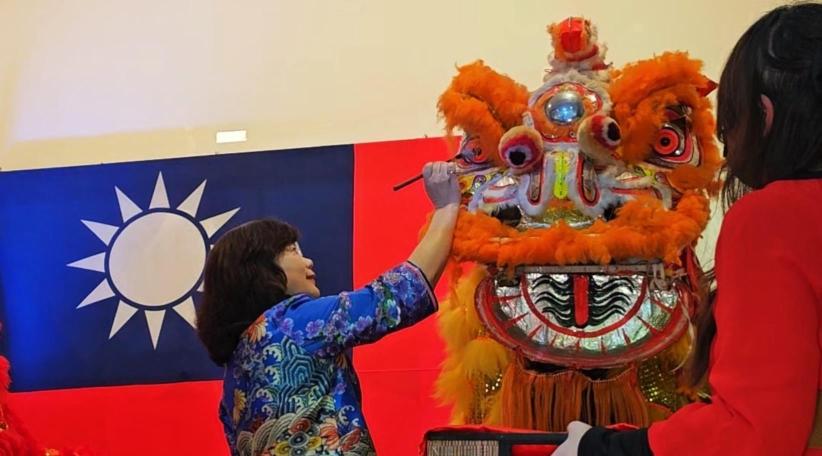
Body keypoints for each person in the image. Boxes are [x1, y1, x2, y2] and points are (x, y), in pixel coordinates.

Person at [554, 2, 822, 455]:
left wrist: (606, 449)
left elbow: (755, 434)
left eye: (729, 121)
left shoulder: (775, 218)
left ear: (765, 115)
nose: (726, 143)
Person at [196, 162, 460, 455]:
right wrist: (446, 208)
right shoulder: (292, 321)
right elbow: (397, 294)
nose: (308, 262)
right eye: (293, 251)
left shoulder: (237, 365)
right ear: (260, 269)